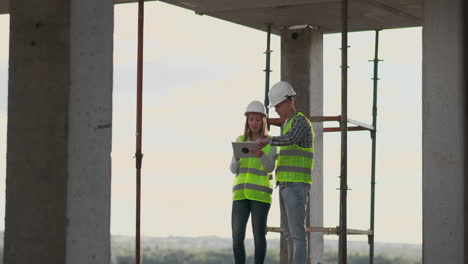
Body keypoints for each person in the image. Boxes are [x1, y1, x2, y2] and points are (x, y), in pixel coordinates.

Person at [258, 81, 315, 264]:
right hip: (285, 185)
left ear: (289, 101)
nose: (276, 110)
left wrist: (269, 140)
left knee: (297, 235)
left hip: (297, 185)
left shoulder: (300, 121)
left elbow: (290, 139)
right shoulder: (287, 124)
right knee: (290, 235)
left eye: (278, 106)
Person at [230, 100, 277, 264]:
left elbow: (270, 168)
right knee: (237, 238)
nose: (254, 123)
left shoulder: (270, 142)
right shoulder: (240, 139)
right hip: (240, 195)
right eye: (251, 119)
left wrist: (261, 155)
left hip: (260, 196)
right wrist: (236, 157)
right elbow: (233, 169)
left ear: (263, 120)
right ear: (247, 121)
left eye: (257, 119)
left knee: (259, 237)